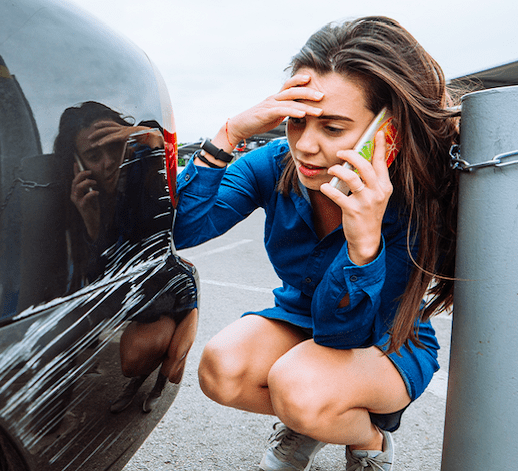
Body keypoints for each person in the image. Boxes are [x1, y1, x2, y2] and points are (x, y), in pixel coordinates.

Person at [173, 16, 459, 471]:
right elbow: (184, 230)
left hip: (385, 340)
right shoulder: (273, 163)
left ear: (388, 134)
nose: (305, 146)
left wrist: (362, 244)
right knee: (220, 369)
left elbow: (342, 334)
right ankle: (318, 417)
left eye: (332, 128)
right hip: (301, 318)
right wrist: (229, 134)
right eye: (295, 121)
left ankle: (367, 440)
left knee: (299, 387)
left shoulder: (421, 194)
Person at [54, 102, 198, 413]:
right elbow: (97, 278)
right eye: (94, 155)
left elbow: (160, 231)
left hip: (171, 290)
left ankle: (156, 388)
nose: (109, 163)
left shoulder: (142, 182)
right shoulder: (74, 201)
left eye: (116, 147)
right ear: (76, 163)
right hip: (138, 294)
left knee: (171, 368)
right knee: (133, 363)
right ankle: (132, 388)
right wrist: (91, 222)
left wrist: (151, 142)